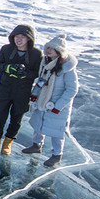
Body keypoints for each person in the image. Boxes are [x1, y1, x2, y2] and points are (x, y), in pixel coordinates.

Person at [22, 34, 79, 167]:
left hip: (57, 105)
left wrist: (58, 106)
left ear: (60, 52)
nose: (48, 51)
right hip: (43, 100)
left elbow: (72, 90)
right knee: (38, 124)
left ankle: (56, 155)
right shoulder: (46, 64)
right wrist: (35, 94)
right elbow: (41, 81)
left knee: (56, 131)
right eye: (47, 48)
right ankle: (36, 145)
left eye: (52, 49)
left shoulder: (67, 69)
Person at [0, 24, 42, 155]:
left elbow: (37, 72)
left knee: (16, 118)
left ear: (29, 39)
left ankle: (7, 143)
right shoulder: (6, 49)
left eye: (23, 37)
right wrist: (9, 68)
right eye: (17, 36)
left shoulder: (36, 54)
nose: (19, 39)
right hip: (5, 90)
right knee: (0, 116)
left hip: (22, 92)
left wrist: (25, 73)